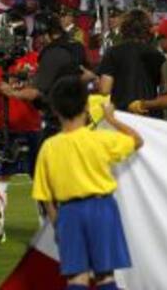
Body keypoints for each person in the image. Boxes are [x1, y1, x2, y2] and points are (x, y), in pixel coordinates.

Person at [32, 76, 143, 290]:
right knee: (105, 277)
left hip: (69, 213)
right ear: (86, 106)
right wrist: (111, 119)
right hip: (102, 209)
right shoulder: (100, 139)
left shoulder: (49, 147)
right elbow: (137, 140)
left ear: (55, 110)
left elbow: (45, 196)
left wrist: (58, 225)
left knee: (76, 278)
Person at [0, 46, 41, 230]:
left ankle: (45, 228)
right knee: (1, 176)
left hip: (33, 127)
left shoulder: (36, 58)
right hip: (5, 129)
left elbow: (40, 90)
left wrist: (12, 89)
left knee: (39, 178)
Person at [95, 9, 165, 113]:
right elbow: (164, 87)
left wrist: (96, 80)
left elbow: (105, 89)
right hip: (148, 111)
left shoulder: (113, 52)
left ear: (123, 28)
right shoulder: (156, 54)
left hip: (122, 113)